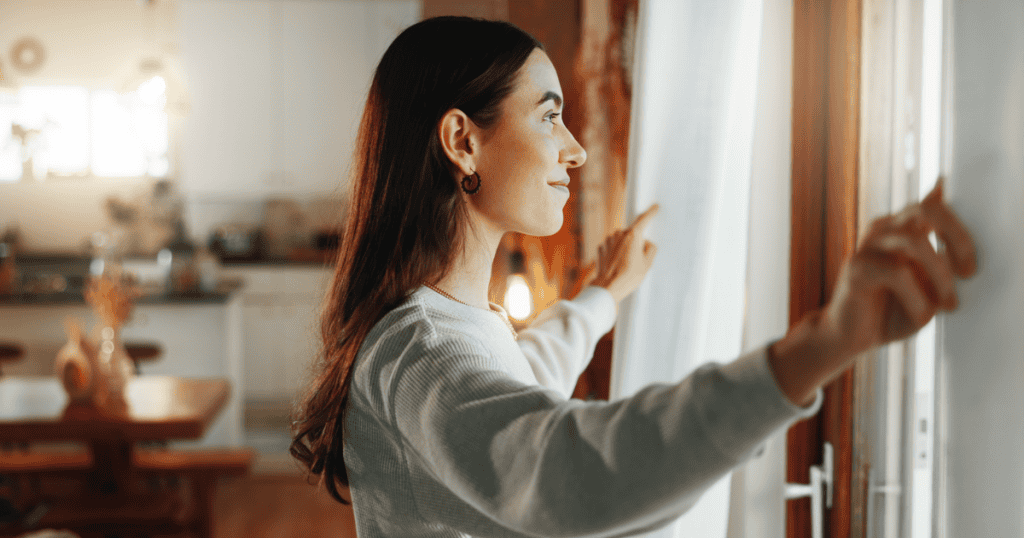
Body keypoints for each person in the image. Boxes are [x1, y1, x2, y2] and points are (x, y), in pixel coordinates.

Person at [290, 16, 977, 537]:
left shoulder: (446, 327)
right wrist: (824, 342)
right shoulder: (419, 349)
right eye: (550, 117)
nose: (576, 150)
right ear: (462, 141)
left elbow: (518, 373)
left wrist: (601, 296)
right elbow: (562, 473)